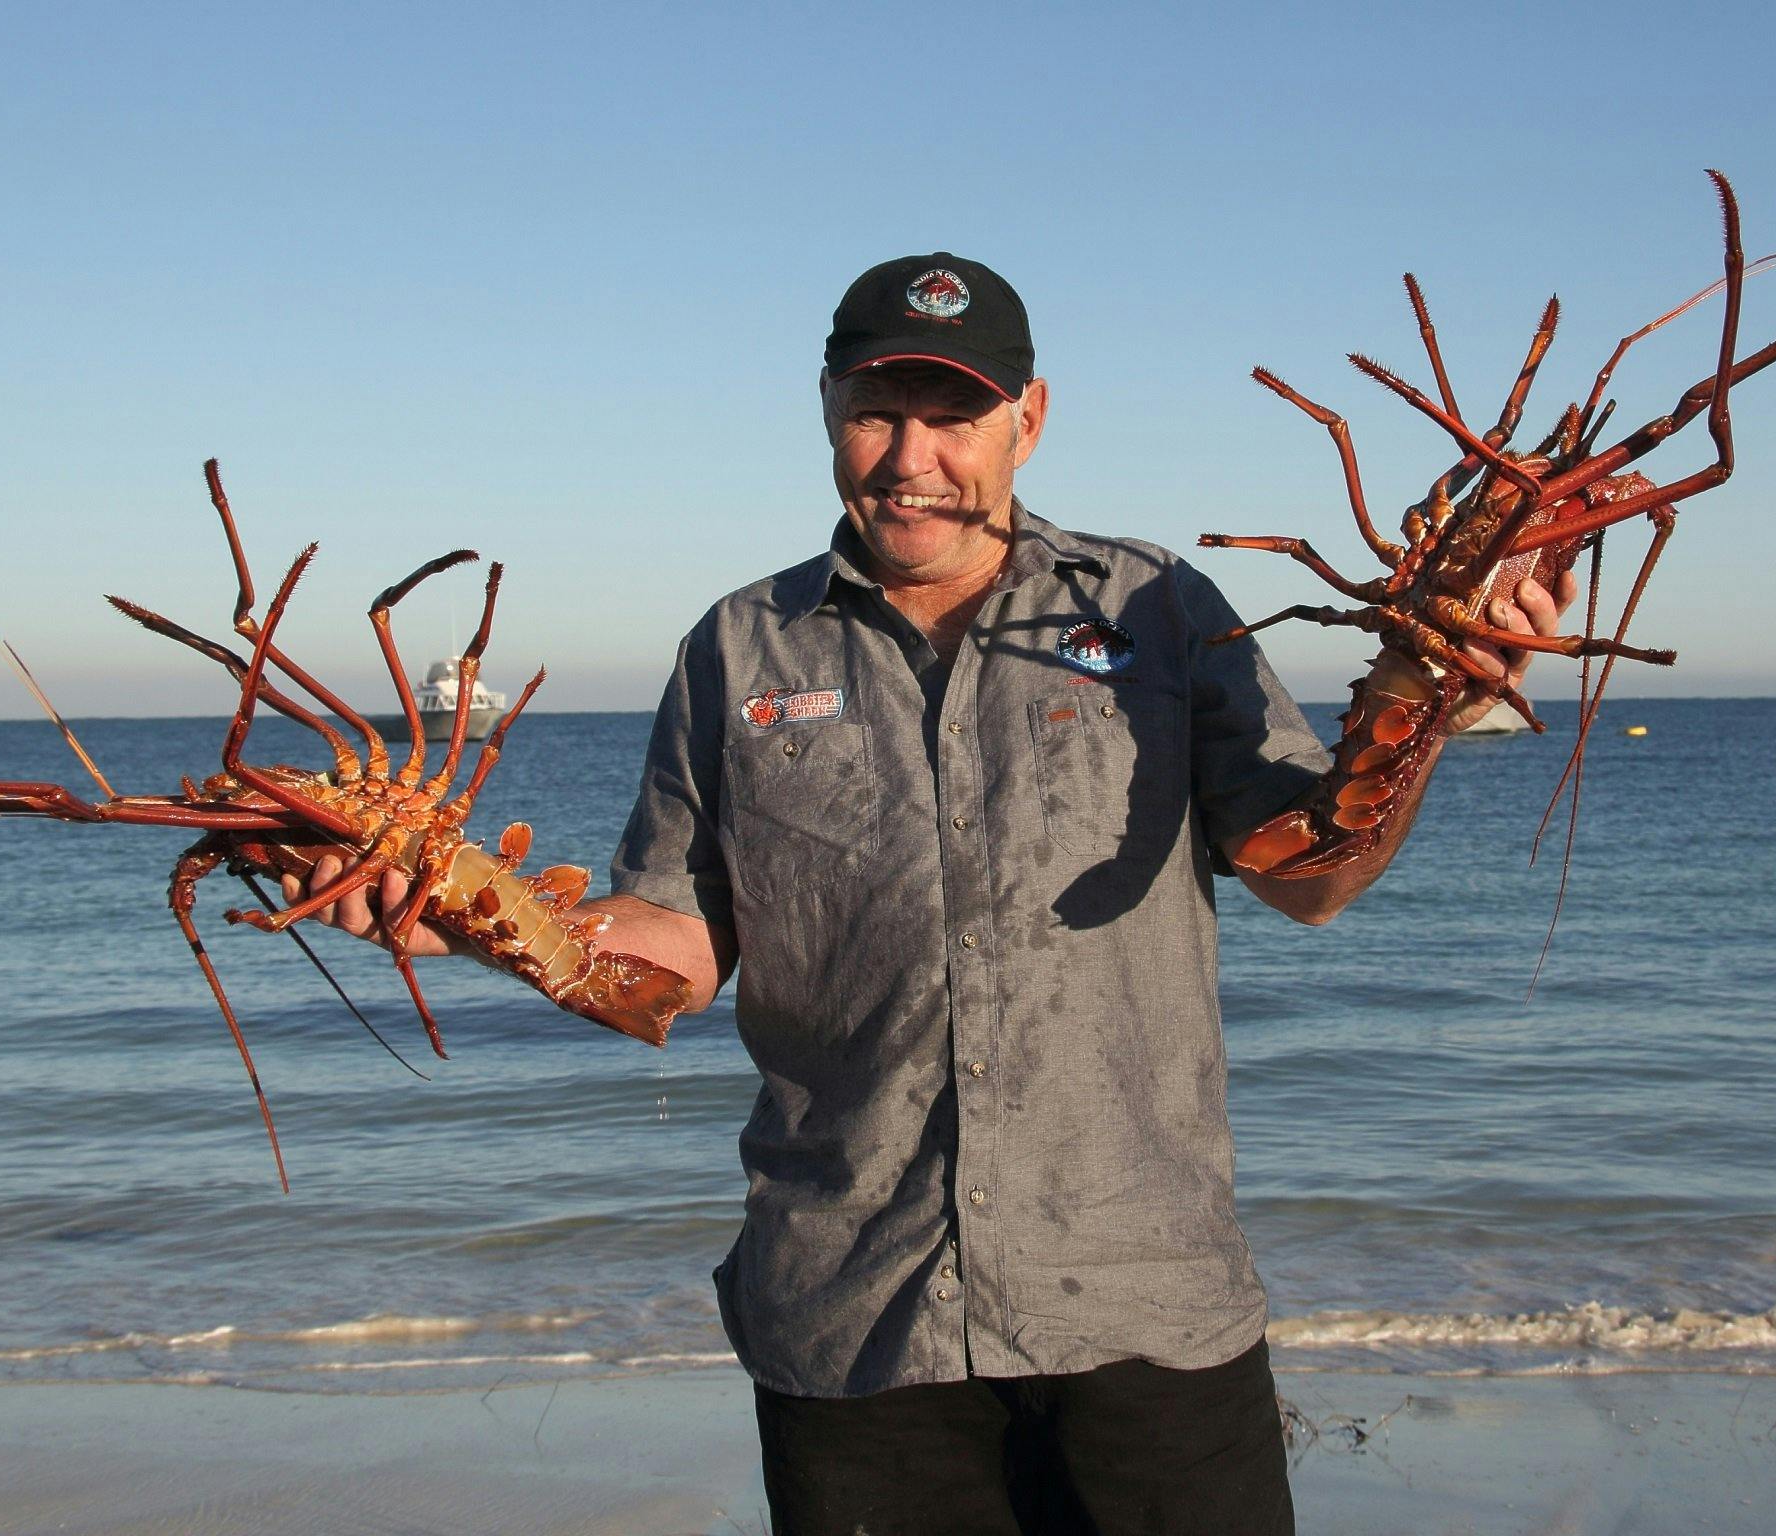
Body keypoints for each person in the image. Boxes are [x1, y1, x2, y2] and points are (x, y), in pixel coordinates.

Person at [286, 252, 1573, 1534]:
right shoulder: (737, 646)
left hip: (1142, 1304)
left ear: (1029, 418)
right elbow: (673, 947)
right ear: (827, 406)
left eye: (953, 416)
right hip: (853, 1320)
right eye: (873, 411)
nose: (911, 458)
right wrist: (459, 909)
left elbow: (1313, 879)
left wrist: (1420, 698)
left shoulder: (1161, 608)